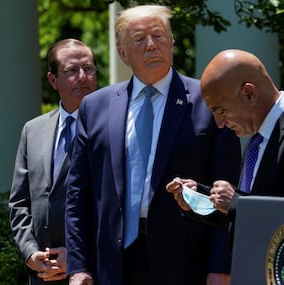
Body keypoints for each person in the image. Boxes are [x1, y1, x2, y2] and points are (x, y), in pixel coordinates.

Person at [65, 5, 242, 285]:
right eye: (139, 40)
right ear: (123, 53)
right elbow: (78, 195)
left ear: (171, 42)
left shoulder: (207, 101)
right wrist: (78, 267)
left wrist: (222, 266)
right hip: (114, 265)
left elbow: (229, 189)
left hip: (187, 264)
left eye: (158, 36)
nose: (151, 46)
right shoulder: (95, 107)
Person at [167, 49, 284, 229]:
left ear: (249, 94)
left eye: (221, 111)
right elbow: (250, 219)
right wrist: (202, 199)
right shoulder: (258, 139)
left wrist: (238, 203)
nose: (219, 124)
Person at [9, 38, 97, 285]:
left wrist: (79, 256)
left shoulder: (113, 127)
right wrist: (30, 254)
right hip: (42, 273)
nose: (82, 77)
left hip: (91, 272)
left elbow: (115, 207)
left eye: (88, 69)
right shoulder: (32, 130)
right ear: (52, 80)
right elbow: (19, 201)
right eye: (71, 70)